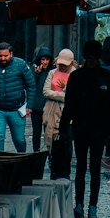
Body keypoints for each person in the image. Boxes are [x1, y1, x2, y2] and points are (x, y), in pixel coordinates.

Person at [60, 40, 110, 218]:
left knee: (93, 168)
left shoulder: (105, 77)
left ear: (99, 57)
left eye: (95, 57)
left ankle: (91, 206)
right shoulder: (78, 77)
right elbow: (69, 104)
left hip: (98, 129)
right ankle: (80, 205)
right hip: (82, 127)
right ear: (87, 57)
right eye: (90, 57)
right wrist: (63, 128)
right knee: (81, 167)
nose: (92, 60)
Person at [0, 41, 35, 155]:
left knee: (19, 139)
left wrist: (29, 105)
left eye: (5, 55)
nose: (3, 58)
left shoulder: (21, 65)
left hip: (17, 109)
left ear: (11, 54)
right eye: (0, 56)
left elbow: (31, 85)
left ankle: (21, 159)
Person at [42, 48, 75, 176]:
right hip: (51, 112)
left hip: (68, 115)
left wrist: (61, 93)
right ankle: (53, 165)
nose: (62, 67)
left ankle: (65, 170)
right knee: (52, 139)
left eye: (65, 65)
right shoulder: (52, 73)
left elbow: (74, 95)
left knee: (66, 142)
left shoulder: (75, 74)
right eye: (60, 64)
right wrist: (63, 94)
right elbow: (46, 91)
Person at [28, 46, 53, 152]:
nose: (45, 62)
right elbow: (30, 85)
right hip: (37, 106)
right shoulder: (34, 70)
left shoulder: (52, 71)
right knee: (36, 132)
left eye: (47, 59)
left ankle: (50, 154)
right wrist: (37, 73)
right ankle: (36, 152)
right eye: (43, 59)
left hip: (48, 106)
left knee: (49, 132)